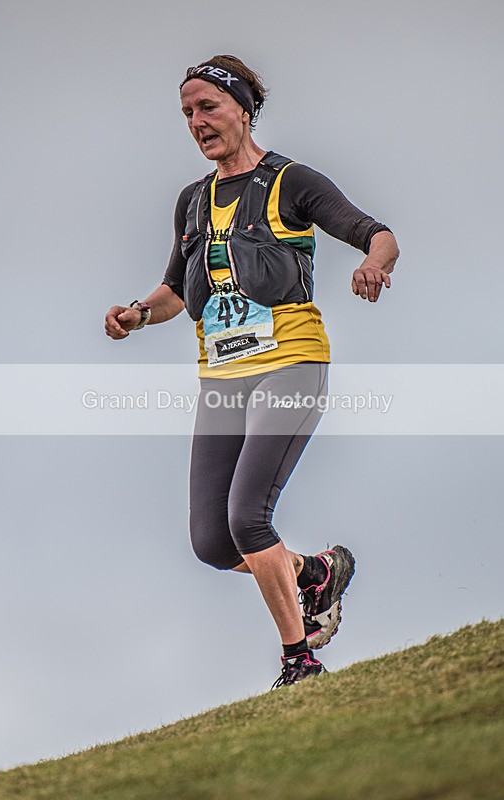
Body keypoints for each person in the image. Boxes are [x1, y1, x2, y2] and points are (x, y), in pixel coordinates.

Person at [105, 55, 399, 688]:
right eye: (186, 112)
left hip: (290, 362)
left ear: (242, 108)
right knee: (213, 541)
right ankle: (314, 575)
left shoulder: (291, 181)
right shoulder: (193, 200)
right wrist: (135, 313)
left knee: (247, 518)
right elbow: (175, 293)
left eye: (207, 107)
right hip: (223, 379)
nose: (196, 121)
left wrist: (375, 264)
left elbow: (375, 232)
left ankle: (301, 659)